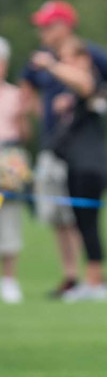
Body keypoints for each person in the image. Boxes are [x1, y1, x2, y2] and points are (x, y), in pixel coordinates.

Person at [19, 0, 107, 298]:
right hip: (69, 159)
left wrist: (53, 65)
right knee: (75, 220)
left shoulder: (88, 79)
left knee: (86, 221)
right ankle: (85, 279)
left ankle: (95, 280)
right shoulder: (68, 87)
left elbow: (92, 83)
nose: (41, 32)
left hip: (87, 163)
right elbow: (29, 88)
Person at [0, 37, 30, 304]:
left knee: (9, 218)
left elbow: (24, 135)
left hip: (7, 157)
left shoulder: (15, 95)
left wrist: (23, 116)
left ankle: (9, 280)